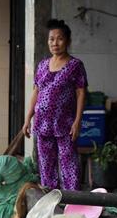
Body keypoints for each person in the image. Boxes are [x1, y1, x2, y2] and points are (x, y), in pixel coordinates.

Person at [22, 19, 87, 191]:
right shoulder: (42, 65)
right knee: (46, 167)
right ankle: (51, 204)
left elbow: (81, 93)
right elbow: (36, 91)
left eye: (59, 39)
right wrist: (28, 117)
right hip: (42, 123)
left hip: (65, 123)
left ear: (67, 41)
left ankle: (72, 202)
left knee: (69, 166)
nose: (55, 43)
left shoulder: (75, 66)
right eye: (51, 39)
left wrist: (78, 120)